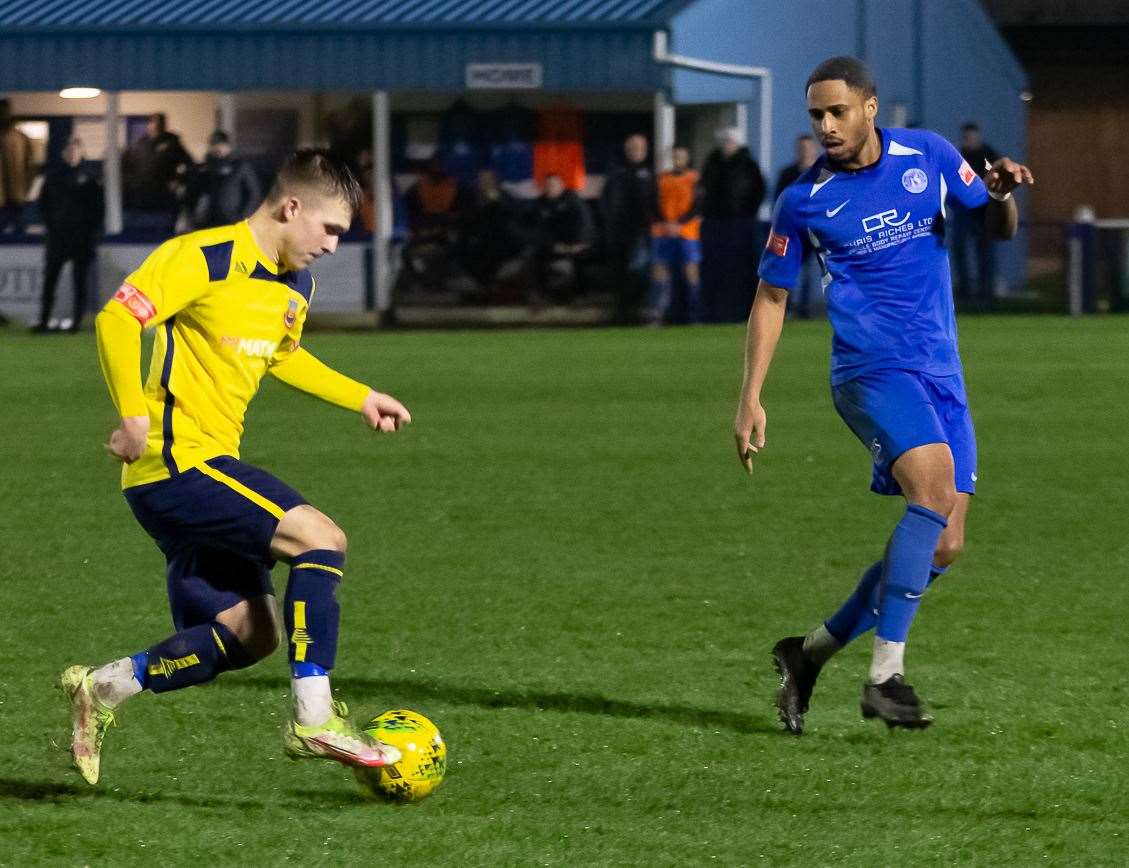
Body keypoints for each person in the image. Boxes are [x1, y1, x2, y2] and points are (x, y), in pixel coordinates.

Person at [62, 150, 413, 786]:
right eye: (331, 229)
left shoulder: (293, 286)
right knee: (322, 539)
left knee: (250, 635)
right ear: (291, 207)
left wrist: (359, 396)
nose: (334, 247)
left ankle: (103, 688)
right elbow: (118, 317)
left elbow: (284, 356)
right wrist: (133, 415)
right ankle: (314, 718)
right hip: (174, 462)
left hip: (200, 468)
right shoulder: (201, 256)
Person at [733, 56, 1033, 731]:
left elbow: (993, 222)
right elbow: (772, 295)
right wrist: (750, 396)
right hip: (869, 372)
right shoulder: (803, 200)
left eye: (837, 111)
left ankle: (808, 654)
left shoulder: (926, 154)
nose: (825, 126)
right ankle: (885, 678)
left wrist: (1004, 192)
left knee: (944, 543)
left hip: (940, 372)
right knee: (928, 494)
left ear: (869, 107)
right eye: (816, 115)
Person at [34, 135, 103, 333]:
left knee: (79, 281)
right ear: (63, 153)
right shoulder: (53, 177)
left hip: (81, 238)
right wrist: (52, 226)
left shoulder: (89, 179)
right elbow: (44, 205)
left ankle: (76, 322)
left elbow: (98, 209)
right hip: (58, 237)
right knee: (50, 280)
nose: (72, 153)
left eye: (76, 149)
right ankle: (44, 320)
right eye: (69, 150)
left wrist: (91, 234)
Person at [700, 127, 765, 322]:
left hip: (741, 224)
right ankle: (715, 312)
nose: (727, 146)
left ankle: (744, 311)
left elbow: (758, 191)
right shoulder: (712, 164)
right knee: (717, 270)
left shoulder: (748, 165)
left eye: (730, 142)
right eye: (724, 142)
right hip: (715, 224)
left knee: (741, 269)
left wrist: (746, 214)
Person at [600, 134, 655, 322]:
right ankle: (620, 313)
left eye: (638, 148)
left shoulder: (650, 175)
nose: (635, 152)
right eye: (632, 148)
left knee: (638, 273)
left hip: (642, 234)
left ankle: (636, 311)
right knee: (618, 275)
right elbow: (606, 203)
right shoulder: (616, 174)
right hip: (618, 234)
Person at [647, 146, 702, 325]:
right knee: (660, 272)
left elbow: (698, 205)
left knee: (691, 272)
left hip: (687, 232)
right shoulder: (661, 178)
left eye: (681, 156)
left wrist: (679, 224)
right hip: (663, 231)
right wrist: (665, 222)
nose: (677, 160)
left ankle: (694, 315)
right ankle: (657, 315)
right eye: (675, 156)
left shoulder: (694, 178)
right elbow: (653, 203)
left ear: (687, 158)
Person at [951, 123, 1001, 308]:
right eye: (967, 138)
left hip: (983, 211)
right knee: (959, 250)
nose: (970, 141)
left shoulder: (988, 155)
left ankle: (986, 294)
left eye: (972, 137)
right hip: (963, 210)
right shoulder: (958, 156)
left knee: (985, 253)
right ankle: (965, 292)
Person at [773, 134, 820, 318]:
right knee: (795, 276)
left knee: (813, 275)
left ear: (814, 149)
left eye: (808, 148)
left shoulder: (824, 171)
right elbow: (780, 200)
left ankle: (808, 313)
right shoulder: (788, 174)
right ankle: (791, 311)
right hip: (794, 233)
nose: (805, 151)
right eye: (801, 148)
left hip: (817, 232)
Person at [122, 113, 192, 235]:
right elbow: (127, 167)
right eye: (153, 122)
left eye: (159, 123)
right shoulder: (141, 144)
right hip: (141, 197)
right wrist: (131, 185)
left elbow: (189, 165)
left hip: (163, 196)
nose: (155, 126)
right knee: (141, 233)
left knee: (163, 232)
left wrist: (178, 181)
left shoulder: (172, 142)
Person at [532, 173, 593, 304]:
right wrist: (553, 245)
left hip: (576, 245)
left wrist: (579, 243)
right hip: (553, 246)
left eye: (554, 185)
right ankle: (541, 296)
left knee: (581, 259)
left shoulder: (573, 200)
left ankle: (581, 297)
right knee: (534, 256)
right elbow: (539, 230)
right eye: (547, 185)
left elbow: (584, 222)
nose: (550, 188)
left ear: (561, 186)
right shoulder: (540, 204)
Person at [188, 130, 262, 229]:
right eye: (214, 145)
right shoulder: (205, 167)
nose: (217, 149)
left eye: (220, 145)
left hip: (231, 221)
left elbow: (254, 193)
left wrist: (242, 216)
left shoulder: (240, 165)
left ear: (228, 146)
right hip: (207, 221)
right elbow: (194, 192)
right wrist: (193, 215)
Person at [0, 97, 33, 234]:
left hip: (17, 197)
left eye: (5, 111)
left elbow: (30, 167)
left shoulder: (21, 138)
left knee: (20, 235)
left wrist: (25, 190)